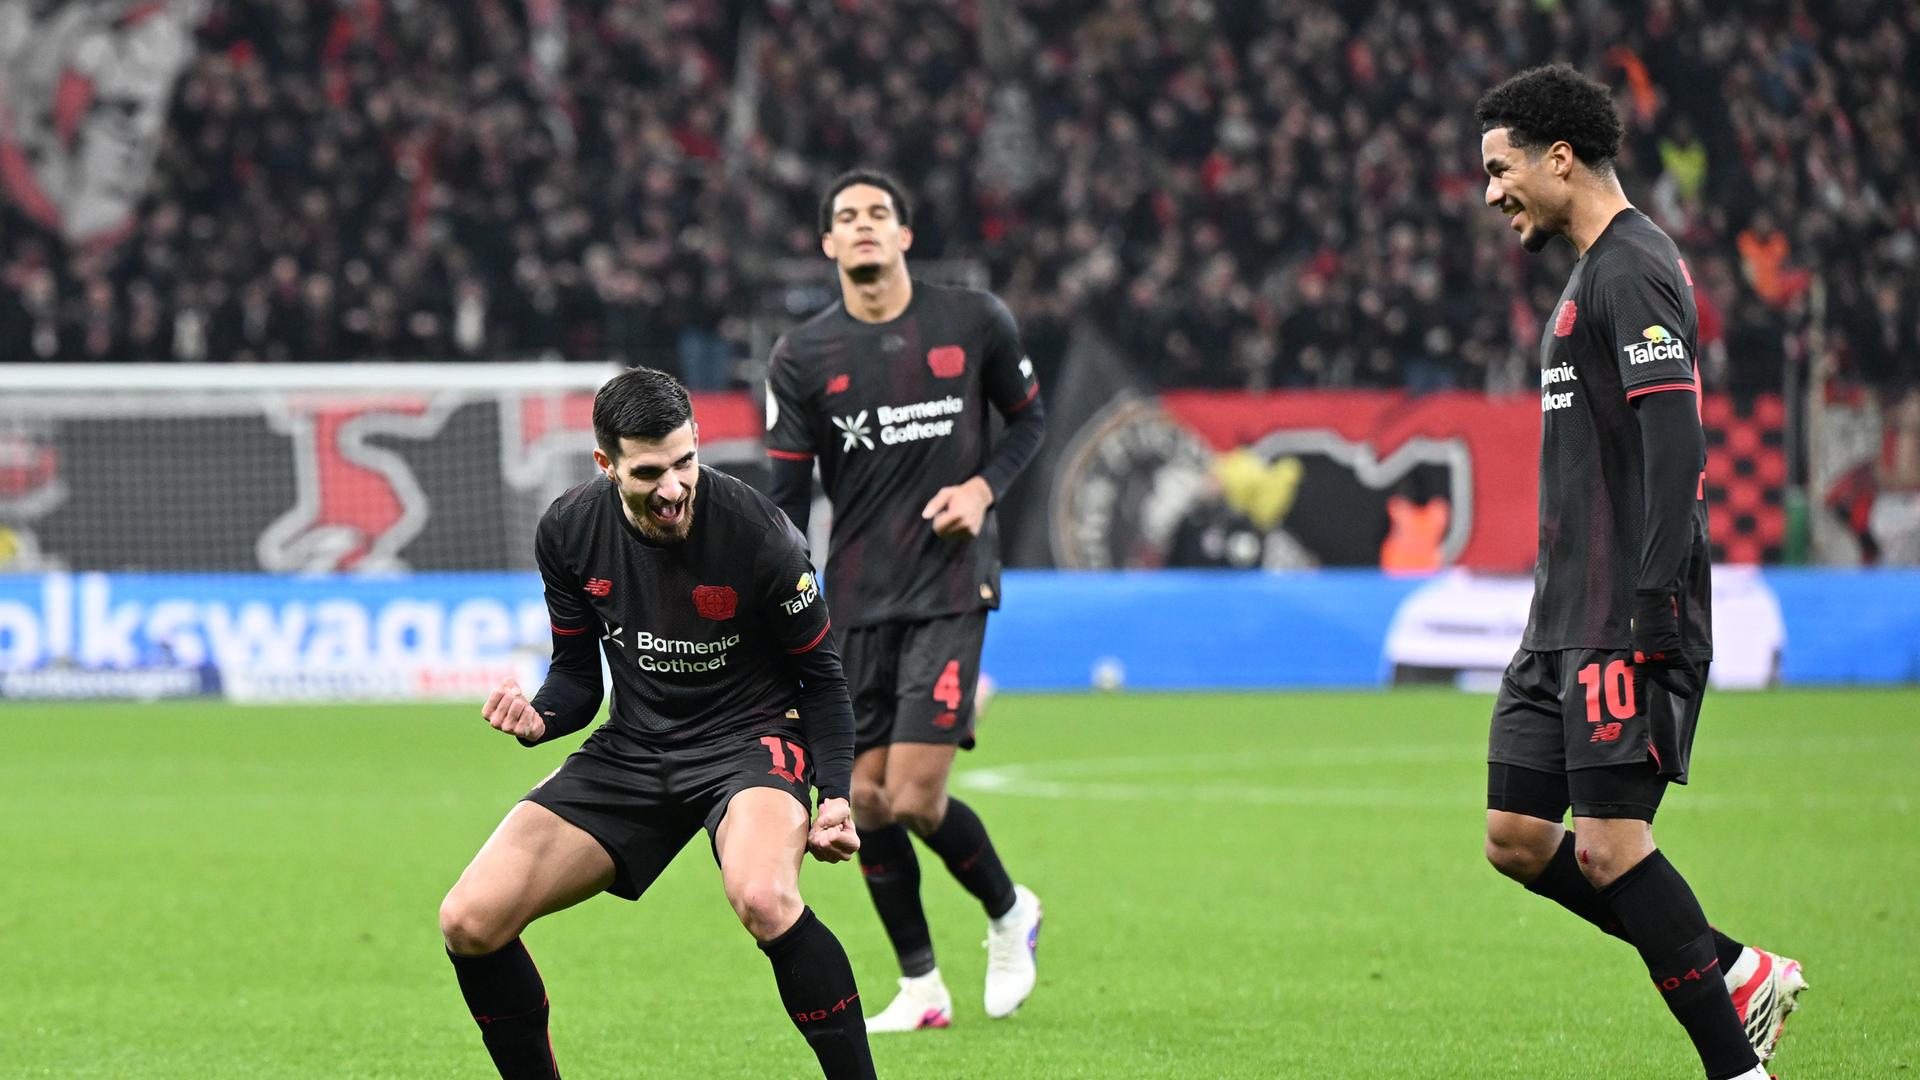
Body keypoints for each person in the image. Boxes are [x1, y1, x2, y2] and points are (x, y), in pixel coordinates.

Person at [1475, 65, 1806, 1079]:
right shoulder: (1588, 274)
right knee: (1518, 835)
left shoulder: (1634, 267)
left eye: (1502, 168)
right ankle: (1735, 968)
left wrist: (1655, 600)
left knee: (1613, 848)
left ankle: (1737, 1070)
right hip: (1560, 616)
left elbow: (1678, 446)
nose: (1493, 192)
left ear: (1558, 156)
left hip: (1624, 612)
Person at [438, 368, 876, 1079]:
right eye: (648, 472)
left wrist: (835, 800)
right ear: (605, 464)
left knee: (765, 897)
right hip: (635, 746)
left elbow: (823, 681)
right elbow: (578, 678)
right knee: (469, 920)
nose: (672, 488)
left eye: (684, 463)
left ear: (698, 442)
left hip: (751, 742)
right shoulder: (569, 530)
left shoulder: (763, 536)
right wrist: (538, 719)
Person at [764, 169, 1047, 1031]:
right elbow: (782, 499)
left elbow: (1029, 422)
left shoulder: (974, 320)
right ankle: (922, 985)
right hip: (853, 598)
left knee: (915, 796)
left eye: (878, 214)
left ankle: (1010, 912)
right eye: (845, 218)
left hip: (953, 584)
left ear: (904, 234)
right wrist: (783, 600)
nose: (862, 228)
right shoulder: (802, 356)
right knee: (867, 799)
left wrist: (983, 491)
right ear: (826, 243)